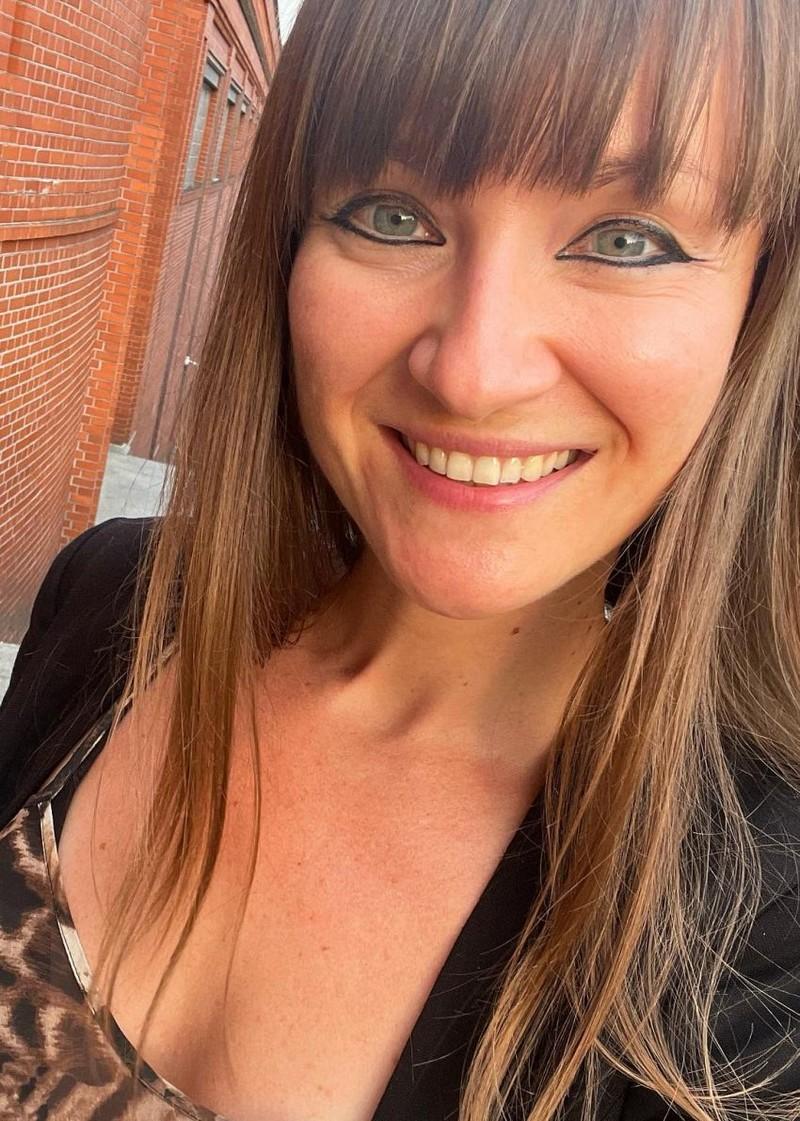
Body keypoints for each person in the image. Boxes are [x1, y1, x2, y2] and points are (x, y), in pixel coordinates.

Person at [2, 0, 800, 1118]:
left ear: (759, 298)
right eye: (392, 216)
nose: (472, 372)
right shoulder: (112, 600)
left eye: (626, 240)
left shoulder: (762, 933)